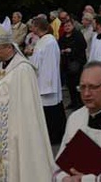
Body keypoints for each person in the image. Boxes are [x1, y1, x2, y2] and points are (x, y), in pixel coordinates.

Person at [0, 21, 55, 182]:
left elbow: (28, 112)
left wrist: (17, 134)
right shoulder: (0, 69)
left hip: (15, 138)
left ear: (9, 47)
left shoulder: (23, 70)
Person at [30, 17, 66, 145]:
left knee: (52, 112)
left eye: (33, 25)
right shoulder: (42, 40)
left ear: (38, 27)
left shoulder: (49, 42)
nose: (31, 28)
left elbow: (49, 65)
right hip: (40, 80)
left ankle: (55, 137)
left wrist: (47, 85)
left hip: (46, 83)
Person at [59, 19, 87, 110]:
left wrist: (71, 50)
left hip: (77, 62)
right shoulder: (63, 37)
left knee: (77, 83)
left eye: (69, 25)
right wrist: (62, 51)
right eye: (65, 26)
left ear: (72, 26)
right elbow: (59, 46)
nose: (67, 27)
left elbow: (83, 46)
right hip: (66, 63)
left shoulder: (78, 35)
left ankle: (80, 102)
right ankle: (73, 101)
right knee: (70, 84)